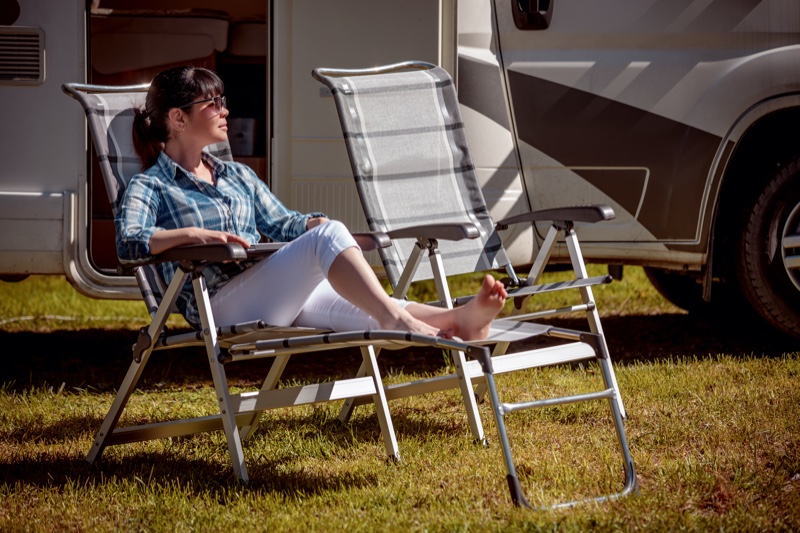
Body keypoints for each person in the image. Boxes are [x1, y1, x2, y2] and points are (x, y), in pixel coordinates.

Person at [116, 66, 507, 339]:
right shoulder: (150, 185)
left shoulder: (236, 176)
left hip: (268, 293)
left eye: (223, 100)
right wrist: (194, 236)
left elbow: (282, 222)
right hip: (215, 305)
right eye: (212, 103)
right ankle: (397, 320)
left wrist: (310, 226)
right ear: (178, 119)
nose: (225, 110)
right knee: (344, 258)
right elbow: (128, 241)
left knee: (355, 301)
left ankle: (460, 319)